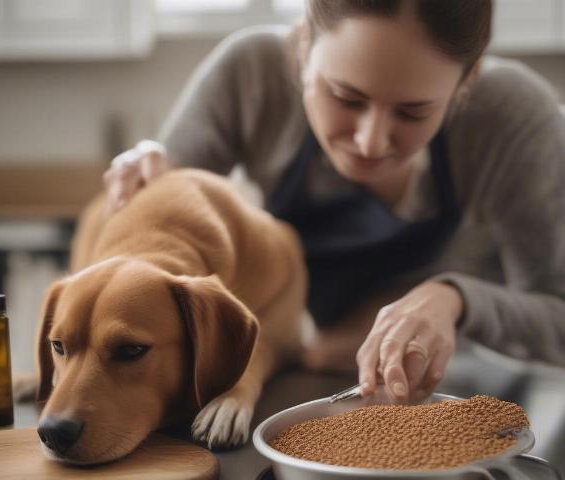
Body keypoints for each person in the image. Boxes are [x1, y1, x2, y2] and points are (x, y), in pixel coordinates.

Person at [102, 0, 565, 405]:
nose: (370, 141)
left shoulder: (513, 121)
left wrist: (456, 300)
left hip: (429, 393)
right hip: (267, 377)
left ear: (469, 79)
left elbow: (556, 315)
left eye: (413, 112)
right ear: (303, 45)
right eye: (346, 97)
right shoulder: (250, 75)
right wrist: (143, 193)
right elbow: (146, 262)